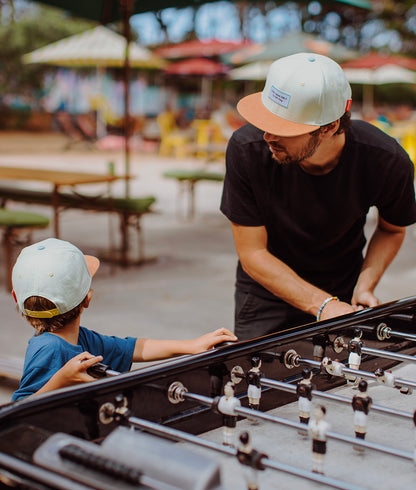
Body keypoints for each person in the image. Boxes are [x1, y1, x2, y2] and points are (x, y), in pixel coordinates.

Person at [220, 52, 416, 340]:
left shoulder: (386, 160)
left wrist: (365, 285)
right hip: (266, 293)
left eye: (283, 129)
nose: (267, 136)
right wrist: (322, 305)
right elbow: (253, 253)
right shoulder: (245, 148)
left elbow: (391, 229)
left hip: (342, 286)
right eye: (266, 121)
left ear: (329, 127)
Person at [11, 238, 237, 401]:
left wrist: (190, 346)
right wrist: (60, 381)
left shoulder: (81, 338)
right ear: (88, 299)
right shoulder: (49, 348)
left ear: (16, 298)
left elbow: (130, 348)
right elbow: (17, 412)